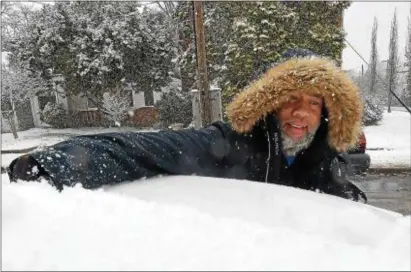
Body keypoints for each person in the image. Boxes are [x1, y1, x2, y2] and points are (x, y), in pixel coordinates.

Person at [7, 49, 367, 202]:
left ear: (327, 113)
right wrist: (55, 164)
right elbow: (149, 149)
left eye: (313, 103)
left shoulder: (325, 158)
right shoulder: (234, 143)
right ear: (270, 104)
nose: (300, 113)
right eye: (291, 99)